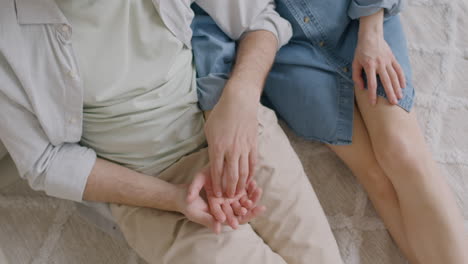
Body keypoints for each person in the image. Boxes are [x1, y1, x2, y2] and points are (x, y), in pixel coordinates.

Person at [0, 0, 344, 263]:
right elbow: (44, 161)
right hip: (145, 185)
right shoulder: (8, 31)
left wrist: (241, 95)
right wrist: (174, 198)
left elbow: (260, 18)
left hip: (229, 128)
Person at [191, 1, 468, 264]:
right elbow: (205, 25)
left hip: (357, 20)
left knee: (402, 151)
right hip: (288, 63)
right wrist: (225, 101)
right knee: (374, 177)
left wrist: (371, 32)